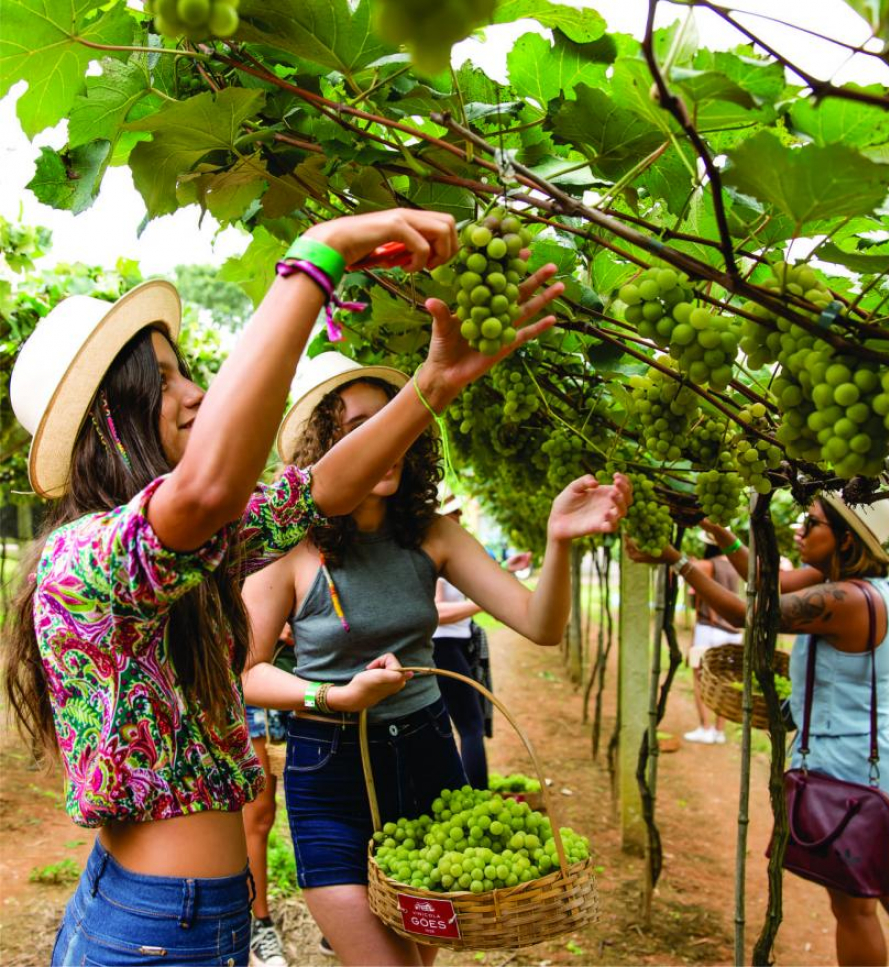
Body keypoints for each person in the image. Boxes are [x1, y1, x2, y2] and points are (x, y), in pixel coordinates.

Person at [3, 207, 565, 967]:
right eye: (165, 379)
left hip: (185, 915)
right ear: (111, 415)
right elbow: (208, 490)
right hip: (159, 927)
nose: (195, 393)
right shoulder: (88, 555)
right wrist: (318, 257)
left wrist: (435, 382)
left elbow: (319, 490)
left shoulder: (185, 550)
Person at [241, 351, 631, 967]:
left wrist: (557, 541)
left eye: (395, 421)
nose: (385, 440)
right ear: (323, 445)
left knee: (423, 959)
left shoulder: (432, 534)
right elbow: (247, 671)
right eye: (358, 426)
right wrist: (329, 696)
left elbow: (540, 624)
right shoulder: (290, 552)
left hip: (426, 760)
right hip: (331, 771)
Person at [627, 496, 889, 967]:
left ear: (846, 539)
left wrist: (678, 561)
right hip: (886, 753)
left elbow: (752, 615)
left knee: (854, 905)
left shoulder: (847, 600)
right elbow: (772, 582)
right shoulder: (863, 583)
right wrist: (723, 536)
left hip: (860, 767)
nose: (800, 529)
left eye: (812, 522)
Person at [432, 492, 531, 787]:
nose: (459, 519)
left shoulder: (449, 551)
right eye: (453, 514)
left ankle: (467, 792)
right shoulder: (434, 556)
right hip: (443, 646)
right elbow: (435, 612)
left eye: (460, 514)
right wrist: (483, 602)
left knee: (463, 724)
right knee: (470, 726)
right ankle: (476, 797)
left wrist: (506, 570)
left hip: (456, 644)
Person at [244, 628, 295, 967]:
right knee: (260, 813)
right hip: (255, 686)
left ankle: (339, 920)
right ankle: (257, 923)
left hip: (317, 680)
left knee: (329, 803)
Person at [683, 536, 742, 745]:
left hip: (708, 629)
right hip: (733, 631)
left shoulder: (707, 565)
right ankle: (719, 731)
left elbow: (685, 568)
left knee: (699, 678)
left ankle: (705, 727)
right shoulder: (736, 566)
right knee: (724, 681)